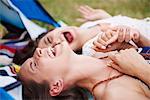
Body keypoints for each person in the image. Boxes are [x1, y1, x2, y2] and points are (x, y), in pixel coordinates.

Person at [18, 34, 150, 100]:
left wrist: (138, 41)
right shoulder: (114, 95)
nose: (37, 51)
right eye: (34, 65)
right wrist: (141, 70)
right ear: (56, 86)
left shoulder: (98, 50)